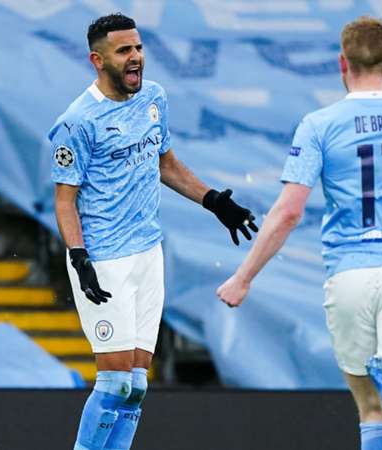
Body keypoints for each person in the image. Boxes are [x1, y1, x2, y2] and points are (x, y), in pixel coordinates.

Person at [217, 16, 382, 450]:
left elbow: (287, 212)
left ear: (343, 62)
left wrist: (243, 277)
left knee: (373, 415)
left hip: (349, 277)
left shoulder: (320, 125)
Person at [50, 13, 258, 450]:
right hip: (103, 258)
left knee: (137, 386)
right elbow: (65, 200)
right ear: (97, 59)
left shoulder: (154, 99)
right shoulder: (77, 121)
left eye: (139, 48)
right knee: (113, 383)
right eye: (124, 50)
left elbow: (165, 163)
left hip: (148, 252)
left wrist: (215, 202)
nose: (137, 58)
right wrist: (78, 257)